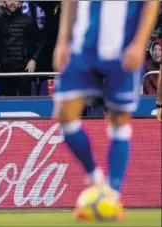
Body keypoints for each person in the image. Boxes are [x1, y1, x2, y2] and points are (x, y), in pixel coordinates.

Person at [51, 1, 159, 221]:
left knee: (119, 119)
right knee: (64, 114)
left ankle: (113, 194)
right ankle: (94, 176)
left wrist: (139, 44)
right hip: (82, 50)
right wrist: (63, 42)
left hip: (122, 51)